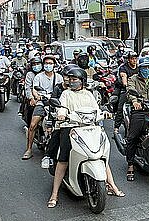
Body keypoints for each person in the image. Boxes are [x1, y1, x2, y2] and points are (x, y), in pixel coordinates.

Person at [47, 67, 124, 208]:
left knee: (100, 155)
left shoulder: (89, 94)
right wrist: (62, 114)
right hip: (70, 127)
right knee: (63, 159)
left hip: (90, 128)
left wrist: (104, 113)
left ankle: (112, 184)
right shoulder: (66, 94)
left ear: (82, 81)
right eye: (70, 80)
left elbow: (96, 109)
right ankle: (55, 193)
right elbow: (62, 107)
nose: (72, 82)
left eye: (74, 79)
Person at [22, 55, 63, 160]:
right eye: (46, 63)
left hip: (56, 104)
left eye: (50, 63)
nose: (48, 65)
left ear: (54, 65)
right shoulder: (38, 77)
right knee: (33, 124)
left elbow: (63, 89)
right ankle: (29, 149)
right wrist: (38, 96)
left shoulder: (59, 77)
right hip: (42, 103)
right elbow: (34, 90)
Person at [113, 51, 139, 132]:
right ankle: (116, 128)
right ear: (128, 60)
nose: (134, 60)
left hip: (138, 89)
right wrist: (127, 85)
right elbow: (124, 79)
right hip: (126, 89)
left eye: (135, 59)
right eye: (132, 59)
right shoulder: (123, 68)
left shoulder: (139, 67)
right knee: (121, 107)